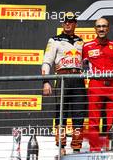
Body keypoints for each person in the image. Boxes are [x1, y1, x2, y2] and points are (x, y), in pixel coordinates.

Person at [41, 12, 87, 155]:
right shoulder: (54, 40)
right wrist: (46, 81)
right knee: (61, 113)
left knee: (79, 114)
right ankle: (61, 147)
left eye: (71, 21)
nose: (68, 24)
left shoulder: (81, 41)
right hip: (62, 78)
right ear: (62, 24)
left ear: (75, 24)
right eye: (66, 21)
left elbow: (87, 63)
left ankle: (77, 148)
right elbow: (47, 61)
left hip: (78, 79)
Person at [82, 18, 113, 151]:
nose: (101, 29)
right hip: (95, 85)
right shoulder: (87, 46)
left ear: (108, 28)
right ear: (95, 29)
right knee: (93, 119)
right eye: (99, 26)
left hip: (112, 85)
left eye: (104, 26)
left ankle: (112, 148)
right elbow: (83, 66)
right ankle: (94, 149)